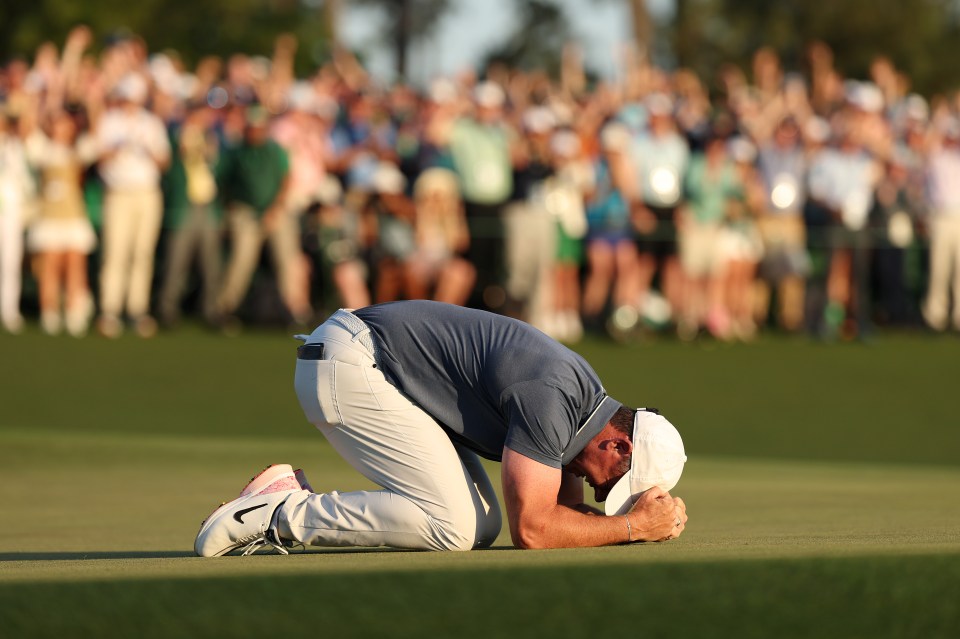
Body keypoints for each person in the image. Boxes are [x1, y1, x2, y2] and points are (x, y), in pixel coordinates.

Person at [195, 301, 688, 556]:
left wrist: (635, 521)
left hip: (366, 362)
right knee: (452, 525)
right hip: (352, 364)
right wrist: (632, 527)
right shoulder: (554, 398)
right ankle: (277, 515)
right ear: (616, 442)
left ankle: (278, 493)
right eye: (615, 482)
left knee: (482, 524)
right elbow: (535, 530)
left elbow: (563, 512)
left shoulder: (582, 406)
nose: (605, 495)